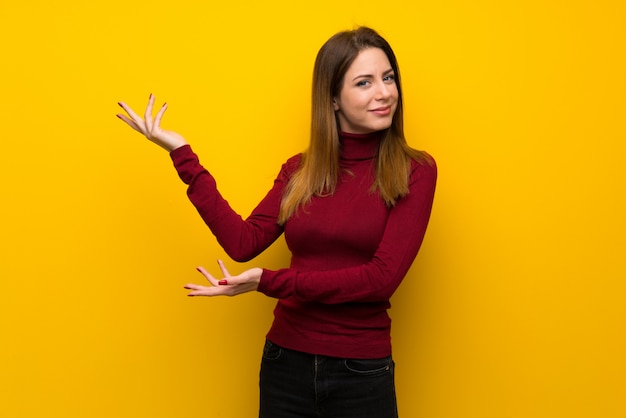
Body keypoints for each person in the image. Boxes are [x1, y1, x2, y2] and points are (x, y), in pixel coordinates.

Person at [117, 26, 437, 418]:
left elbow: (380, 278)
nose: (384, 92)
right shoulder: (300, 171)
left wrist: (269, 281)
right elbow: (243, 242)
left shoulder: (414, 170)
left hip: (361, 372)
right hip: (285, 363)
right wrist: (182, 154)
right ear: (333, 99)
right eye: (365, 82)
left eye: (388, 78)